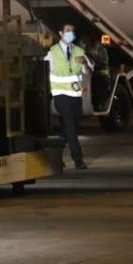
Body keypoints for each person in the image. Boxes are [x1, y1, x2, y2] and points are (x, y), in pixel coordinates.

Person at [46, 23, 91, 169]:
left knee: (71, 126)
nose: (70, 33)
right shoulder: (52, 52)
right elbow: (44, 70)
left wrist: (84, 63)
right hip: (60, 95)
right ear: (61, 33)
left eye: (72, 31)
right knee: (70, 125)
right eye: (67, 30)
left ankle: (55, 150)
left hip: (76, 95)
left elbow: (88, 72)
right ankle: (78, 159)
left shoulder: (79, 51)